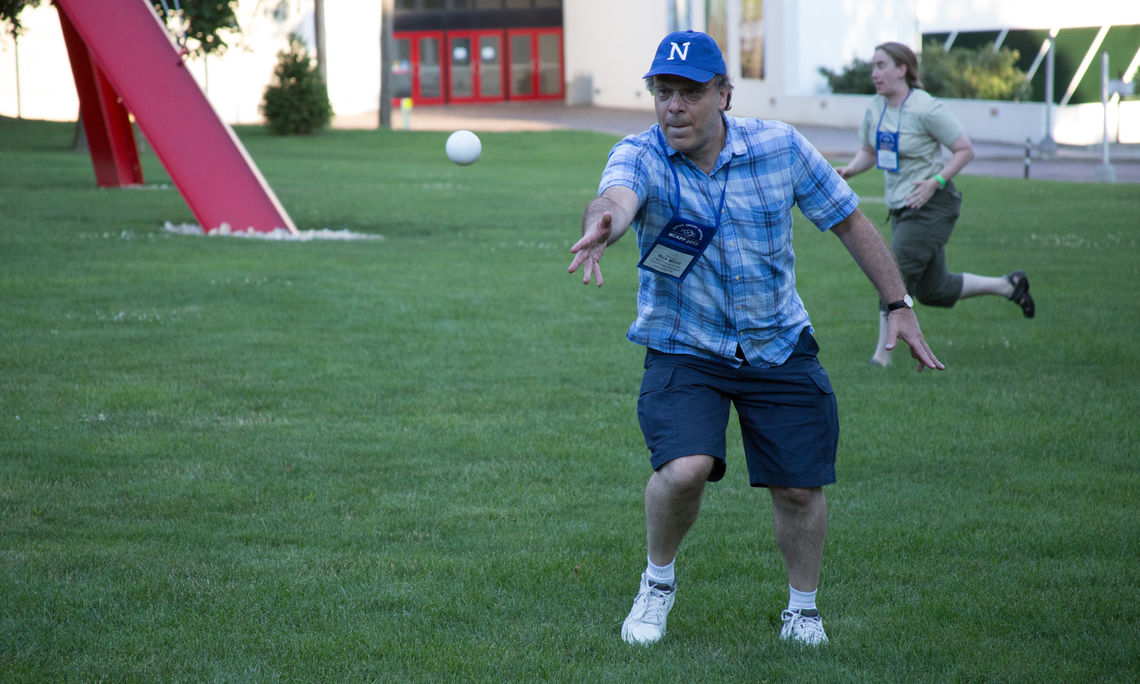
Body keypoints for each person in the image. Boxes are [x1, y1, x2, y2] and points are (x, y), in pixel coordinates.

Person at [567, 30, 944, 647]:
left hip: (777, 341)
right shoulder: (640, 154)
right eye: (663, 93)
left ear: (724, 94)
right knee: (684, 469)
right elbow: (615, 198)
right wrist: (603, 223)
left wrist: (898, 304)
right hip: (684, 343)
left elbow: (848, 219)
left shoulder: (778, 146)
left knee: (799, 486)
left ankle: (802, 609)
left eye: (689, 94)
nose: (673, 108)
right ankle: (657, 584)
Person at [837, 42, 1035, 367]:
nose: (874, 73)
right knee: (934, 289)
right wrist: (851, 169)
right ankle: (1008, 285)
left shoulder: (926, 108)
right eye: (873, 66)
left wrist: (935, 182)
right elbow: (871, 151)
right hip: (901, 206)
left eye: (881, 65)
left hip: (932, 204)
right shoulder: (876, 108)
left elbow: (964, 149)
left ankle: (881, 357)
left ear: (902, 69)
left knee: (890, 271)